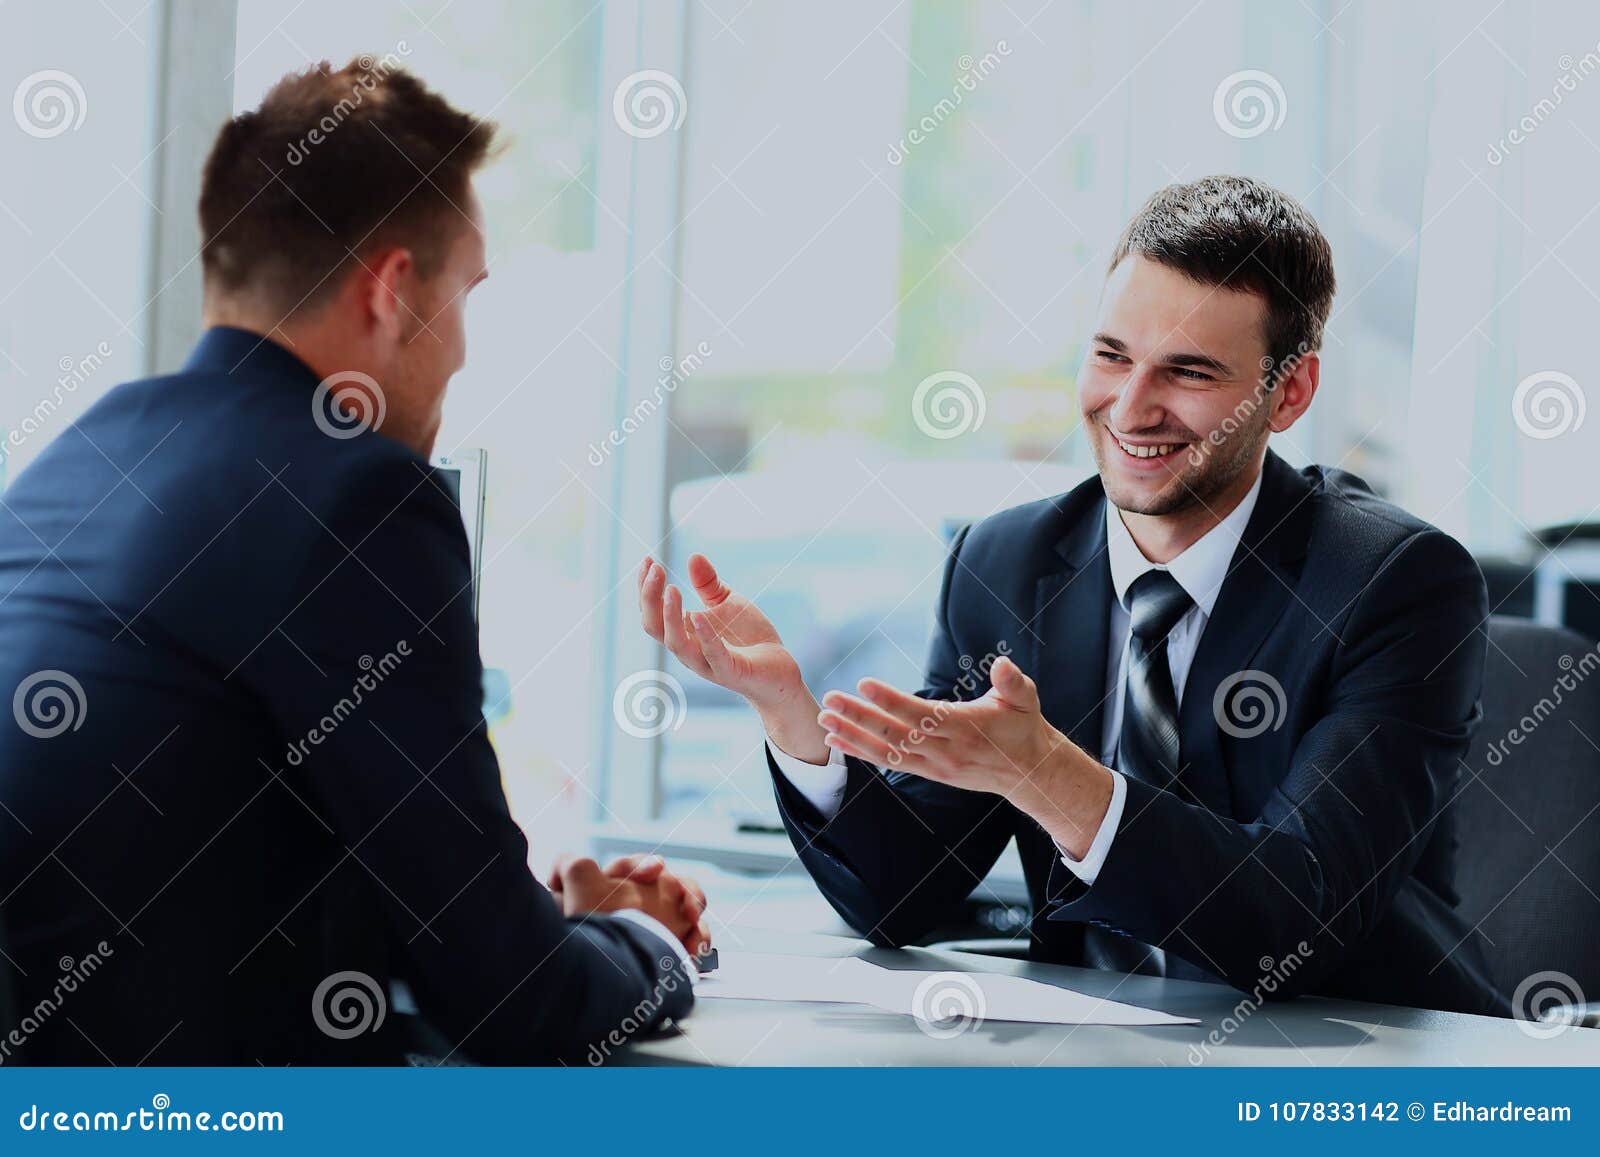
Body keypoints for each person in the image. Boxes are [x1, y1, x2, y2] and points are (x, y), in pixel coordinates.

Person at [641, 175, 1504, 1015]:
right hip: (1099, 1061)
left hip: (1357, 1068)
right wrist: (790, 716)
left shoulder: (1393, 582)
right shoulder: (1010, 560)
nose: (1131, 407)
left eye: (1190, 373)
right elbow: (901, 897)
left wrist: (1050, 775)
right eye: (1111, 356)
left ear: (1292, 392)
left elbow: (1299, 916)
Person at [0, 60, 706, 1065]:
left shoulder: (82, 459)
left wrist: (528, 921)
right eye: (466, 292)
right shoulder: (356, 495)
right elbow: (512, 1005)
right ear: (390, 292)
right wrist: (644, 945)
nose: (462, 350)